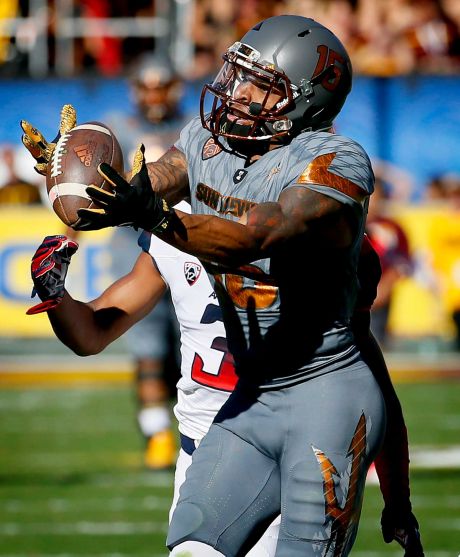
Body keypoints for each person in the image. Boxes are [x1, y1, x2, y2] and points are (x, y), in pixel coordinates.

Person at [22, 14, 423, 556]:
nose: (236, 92)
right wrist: (98, 194)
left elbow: (254, 237)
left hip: (323, 390)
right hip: (251, 398)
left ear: (305, 99)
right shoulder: (207, 142)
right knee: (191, 550)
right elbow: (156, 181)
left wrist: (397, 495)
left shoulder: (337, 164)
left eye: (261, 84)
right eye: (238, 73)